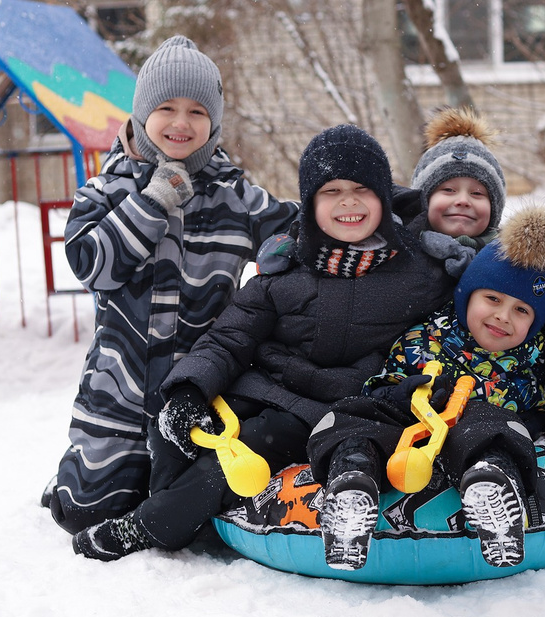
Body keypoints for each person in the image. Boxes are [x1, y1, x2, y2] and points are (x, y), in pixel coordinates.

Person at [131, 124, 450, 558]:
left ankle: (150, 527)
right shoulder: (287, 266)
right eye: (331, 192)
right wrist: (191, 388)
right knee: (174, 426)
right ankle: (191, 518)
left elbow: (467, 317)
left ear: (384, 197)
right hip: (264, 388)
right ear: (310, 204)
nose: (348, 202)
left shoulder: (417, 272)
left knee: (249, 445)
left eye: (362, 189)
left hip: (334, 409)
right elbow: (230, 336)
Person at [50, 37, 280, 550]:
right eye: (166, 108)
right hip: (120, 385)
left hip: (199, 385)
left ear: (214, 123)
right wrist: (154, 201)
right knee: (86, 511)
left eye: (198, 110)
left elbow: (304, 229)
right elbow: (93, 266)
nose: (182, 122)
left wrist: (384, 204)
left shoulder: (236, 197)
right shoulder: (105, 192)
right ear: (140, 113)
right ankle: (71, 481)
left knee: (193, 518)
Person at [306, 209, 545, 570]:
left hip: (475, 432)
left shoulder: (534, 357)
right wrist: (397, 393)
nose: (502, 317)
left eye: (521, 310)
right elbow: (385, 382)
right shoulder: (428, 336)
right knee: (355, 413)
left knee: (497, 428)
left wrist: (530, 422)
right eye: (492, 299)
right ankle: (353, 483)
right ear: (467, 296)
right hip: (413, 423)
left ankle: (492, 490)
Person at [393, 107, 505, 276]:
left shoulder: (509, 264)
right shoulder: (398, 255)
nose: (463, 200)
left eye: (476, 193)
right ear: (423, 200)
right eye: (448, 190)